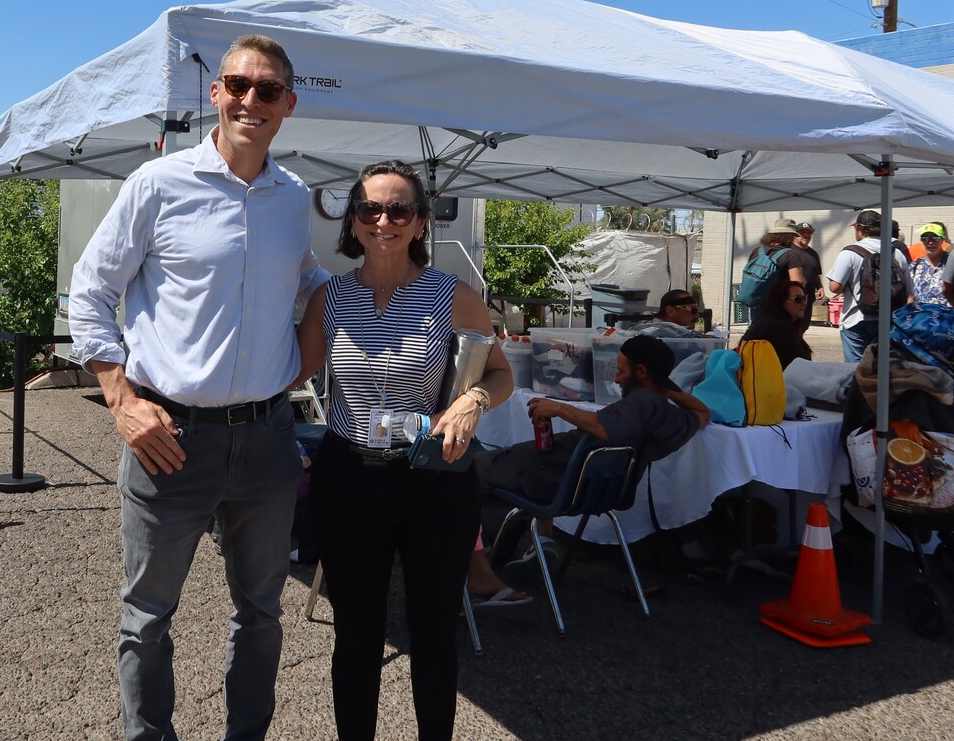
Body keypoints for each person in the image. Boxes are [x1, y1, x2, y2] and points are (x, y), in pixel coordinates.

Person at [69, 33, 330, 741]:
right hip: (170, 439)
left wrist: (334, 331)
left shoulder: (291, 198)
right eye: (237, 84)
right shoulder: (158, 184)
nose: (251, 99)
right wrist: (121, 400)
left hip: (269, 440)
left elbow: (308, 283)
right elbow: (89, 292)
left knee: (263, 613)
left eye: (267, 89)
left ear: (288, 105)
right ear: (214, 92)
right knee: (147, 617)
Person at [294, 159, 514, 741]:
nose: (383, 219)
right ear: (354, 219)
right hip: (350, 480)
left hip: (433, 479)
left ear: (420, 222)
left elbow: (499, 375)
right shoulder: (330, 297)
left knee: (435, 630)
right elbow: (289, 373)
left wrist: (472, 404)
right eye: (369, 208)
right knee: (357, 632)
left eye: (399, 209)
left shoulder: (454, 295)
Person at [474, 335, 710, 579]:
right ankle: (541, 542)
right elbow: (703, 412)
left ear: (640, 371)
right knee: (524, 470)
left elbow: (604, 428)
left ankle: (477, 557)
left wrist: (559, 408)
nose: (616, 379)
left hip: (557, 480)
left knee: (468, 470)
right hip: (593, 490)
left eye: (620, 371)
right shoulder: (671, 417)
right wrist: (665, 388)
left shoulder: (642, 403)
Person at [827, 210, 914, 363]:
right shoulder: (896, 253)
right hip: (888, 319)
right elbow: (910, 294)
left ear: (860, 230)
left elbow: (835, 287)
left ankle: (858, 387)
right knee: (881, 367)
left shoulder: (849, 252)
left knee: (855, 369)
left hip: (856, 319)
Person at [739, 279, 813, 368]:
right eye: (798, 299)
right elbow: (802, 365)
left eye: (804, 298)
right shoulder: (778, 328)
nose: (804, 303)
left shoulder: (771, 322)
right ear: (781, 301)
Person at [746, 218, 813, 300]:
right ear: (789, 236)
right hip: (778, 304)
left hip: (757, 301)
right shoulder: (791, 254)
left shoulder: (757, 251)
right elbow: (797, 284)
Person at [793, 221, 824, 329]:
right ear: (795, 234)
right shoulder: (790, 251)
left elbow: (815, 272)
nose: (806, 235)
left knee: (803, 326)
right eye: (802, 232)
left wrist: (819, 286)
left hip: (808, 298)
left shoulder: (813, 253)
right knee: (792, 326)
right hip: (794, 299)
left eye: (809, 233)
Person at [911, 223, 951, 306]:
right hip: (922, 317)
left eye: (935, 238)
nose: (930, 242)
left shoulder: (951, 263)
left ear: (942, 240)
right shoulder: (915, 266)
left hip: (947, 316)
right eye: (925, 238)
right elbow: (910, 296)